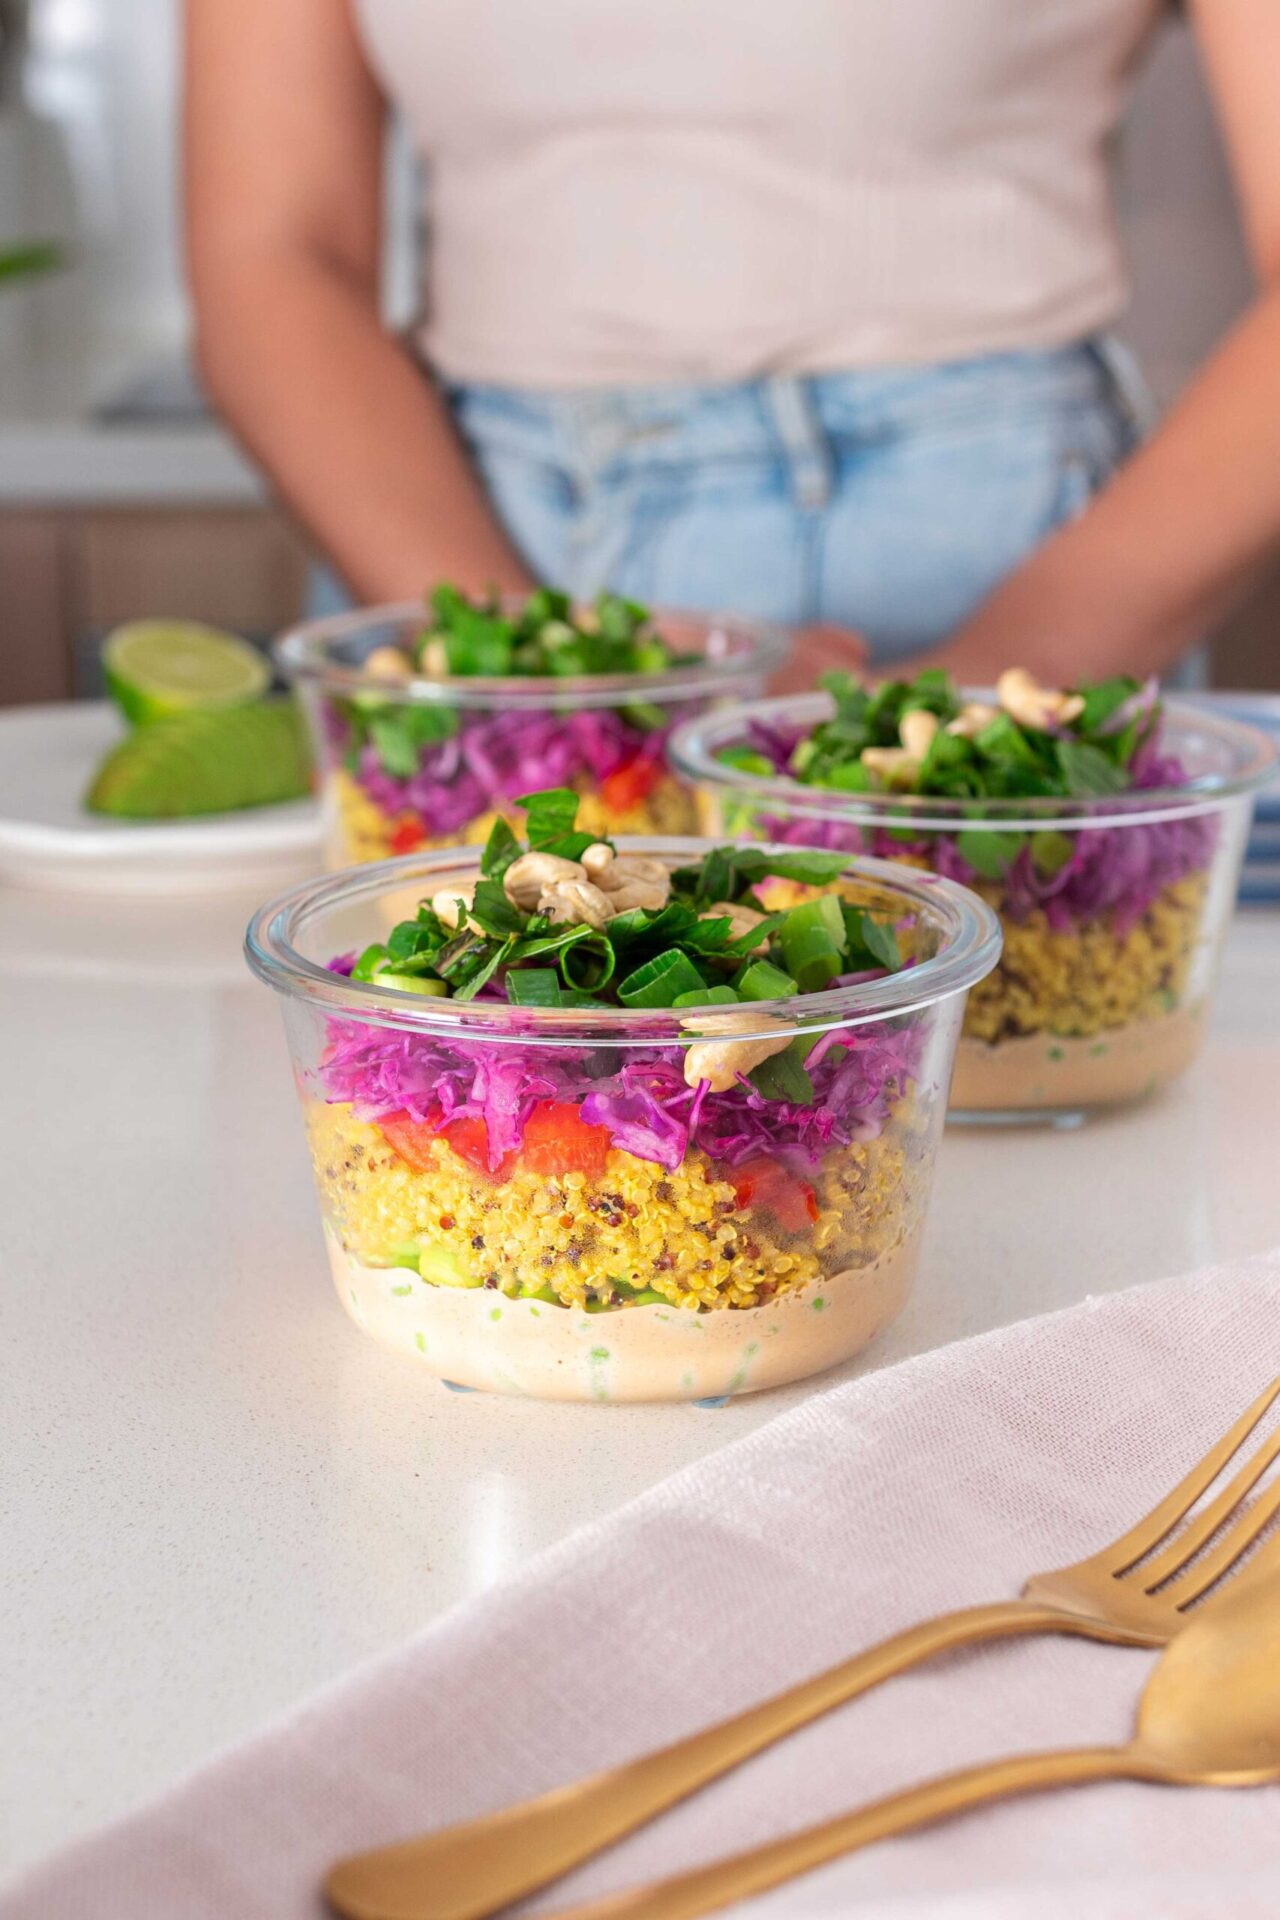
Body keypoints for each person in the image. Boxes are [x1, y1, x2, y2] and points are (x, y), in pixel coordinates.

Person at [185, 1, 1280, 689]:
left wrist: (1012, 664)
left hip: (1007, 552)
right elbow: (272, 255)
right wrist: (526, 671)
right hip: (460, 543)